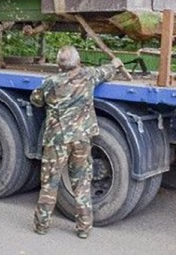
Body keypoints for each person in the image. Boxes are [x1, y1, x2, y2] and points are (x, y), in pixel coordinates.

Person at [30, 46, 124, 239]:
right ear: (78, 61)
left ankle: (42, 225)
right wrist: (115, 63)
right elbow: (106, 71)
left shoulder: (51, 82)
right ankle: (83, 228)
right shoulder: (89, 75)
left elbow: (36, 100)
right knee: (81, 184)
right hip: (81, 139)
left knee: (50, 184)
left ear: (58, 64)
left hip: (57, 141)